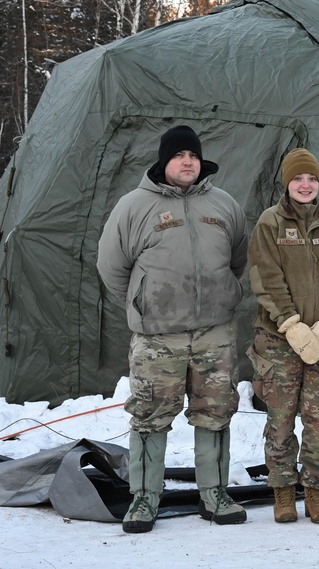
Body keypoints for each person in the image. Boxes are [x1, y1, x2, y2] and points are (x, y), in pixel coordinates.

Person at [97, 125, 249, 533]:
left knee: (215, 414)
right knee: (149, 416)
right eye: (180, 155)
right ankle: (144, 498)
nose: (188, 162)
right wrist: (144, 303)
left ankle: (214, 493)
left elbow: (238, 259)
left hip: (214, 332)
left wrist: (224, 293)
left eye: (194, 156)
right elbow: (112, 269)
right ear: (164, 162)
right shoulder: (133, 206)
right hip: (158, 336)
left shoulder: (224, 204)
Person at [247, 148, 319, 524]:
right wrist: (290, 324)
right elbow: (266, 277)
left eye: (311, 178)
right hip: (280, 342)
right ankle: (282, 491)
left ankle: (315, 491)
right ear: (287, 183)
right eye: (298, 178)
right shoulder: (270, 223)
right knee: (279, 419)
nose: (306, 184)